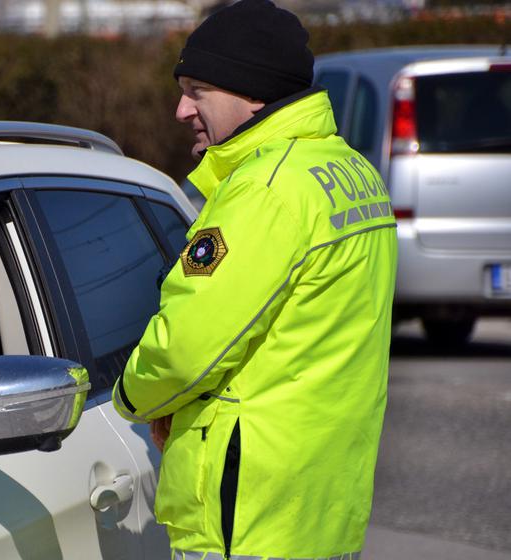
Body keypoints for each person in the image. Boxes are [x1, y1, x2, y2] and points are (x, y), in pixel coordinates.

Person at [112, 1, 397, 559]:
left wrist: (131, 398)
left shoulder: (265, 190)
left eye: (196, 90)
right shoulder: (353, 173)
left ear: (253, 92)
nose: (180, 110)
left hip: (248, 516)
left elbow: (186, 349)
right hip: (320, 505)